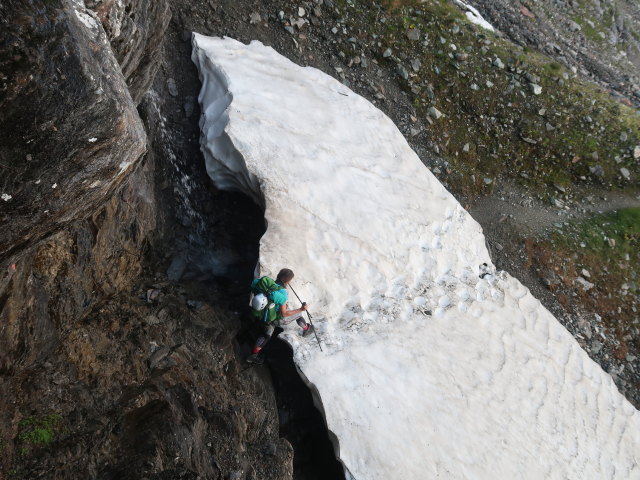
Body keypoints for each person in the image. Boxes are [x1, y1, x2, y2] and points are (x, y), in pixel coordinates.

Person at [246, 268, 314, 364]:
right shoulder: (282, 294)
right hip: (275, 318)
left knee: (266, 334)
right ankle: (307, 329)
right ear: (288, 281)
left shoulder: (263, 283)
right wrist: (301, 309)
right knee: (298, 314)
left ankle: (253, 355)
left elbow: (253, 288)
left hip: (261, 314)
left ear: (278, 275)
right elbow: (284, 314)